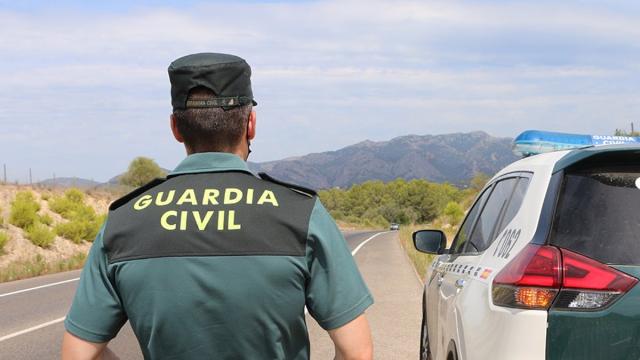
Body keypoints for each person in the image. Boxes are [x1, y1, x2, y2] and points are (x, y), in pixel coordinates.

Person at [61, 53, 374, 360]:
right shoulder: (300, 213)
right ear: (250, 124)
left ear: (175, 128)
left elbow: (79, 354)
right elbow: (356, 351)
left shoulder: (124, 222)